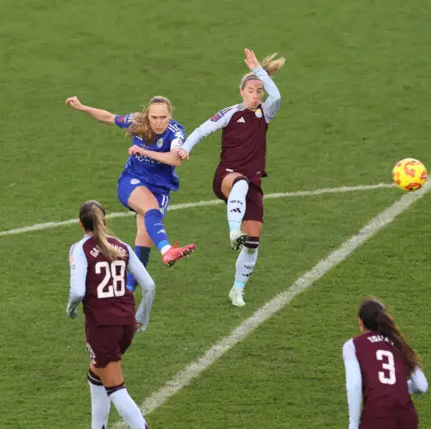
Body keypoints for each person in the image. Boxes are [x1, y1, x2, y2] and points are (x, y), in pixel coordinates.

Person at [176, 48, 284, 307]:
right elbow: (202, 130)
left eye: (259, 91)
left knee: (253, 243)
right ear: (241, 92)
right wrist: (185, 148)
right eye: (251, 91)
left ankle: (237, 289)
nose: (256, 96)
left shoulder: (265, 113)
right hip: (226, 177)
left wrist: (259, 70)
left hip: (254, 183)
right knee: (241, 184)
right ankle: (233, 230)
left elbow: (277, 94)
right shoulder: (230, 113)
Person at [65, 95, 196, 292]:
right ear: (147, 116)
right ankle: (167, 250)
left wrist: (144, 152)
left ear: (170, 116)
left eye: (163, 117)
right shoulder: (137, 122)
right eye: (154, 117)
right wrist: (83, 107)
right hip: (132, 181)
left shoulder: (176, 131)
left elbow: (175, 159)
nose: (159, 122)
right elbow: (109, 117)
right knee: (151, 210)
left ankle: (126, 292)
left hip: (160, 188)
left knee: (144, 240)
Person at [66, 200, 154, 428]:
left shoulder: (81, 249)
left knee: (116, 388)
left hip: (103, 327)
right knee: (96, 373)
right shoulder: (122, 246)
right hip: (126, 324)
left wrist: (71, 308)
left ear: (80, 223)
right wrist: (142, 317)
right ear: (104, 220)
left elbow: (77, 292)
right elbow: (149, 285)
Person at [342, 298, 428, 429]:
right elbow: (422, 386)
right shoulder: (399, 343)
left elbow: (354, 385)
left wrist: (353, 424)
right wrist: (396, 385)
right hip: (407, 418)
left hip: (378, 417)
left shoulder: (352, 345)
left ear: (360, 321)